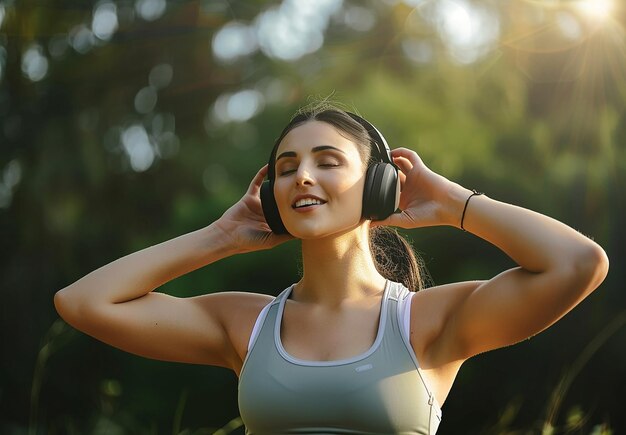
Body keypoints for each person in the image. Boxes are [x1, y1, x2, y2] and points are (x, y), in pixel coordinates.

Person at [54, 102, 609, 435]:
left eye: (329, 161)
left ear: (378, 185)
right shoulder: (244, 326)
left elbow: (579, 263)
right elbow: (82, 303)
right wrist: (218, 237)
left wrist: (456, 204)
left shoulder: (428, 322)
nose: (302, 178)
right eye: (287, 167)